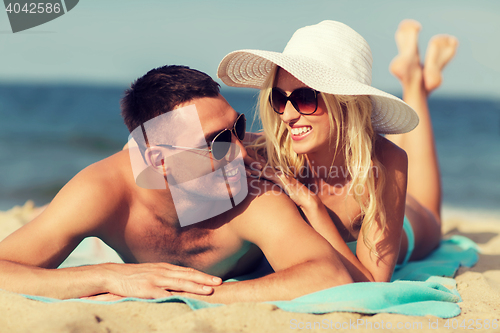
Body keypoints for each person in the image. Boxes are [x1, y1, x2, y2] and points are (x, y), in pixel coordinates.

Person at [0, 65, 352, 302]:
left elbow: (329, 276)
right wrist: (105, 276)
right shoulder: (105, 189)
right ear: (158, 160)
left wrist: (181, 294)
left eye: (238, 128)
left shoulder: (252, 189)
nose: (242, 154)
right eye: (217, 142)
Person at [218, 20, 458, 282]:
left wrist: (312, 205)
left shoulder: (388, 161)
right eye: (278, 98)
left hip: (409, 227)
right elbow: (199, 149)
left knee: (430, 214)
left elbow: (373, 283)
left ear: (345, 101)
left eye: (304, 98)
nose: (287, 115)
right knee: (368, 148)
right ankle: (416, 76)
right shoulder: (269, 150)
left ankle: (415, 84)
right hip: (365, 167)